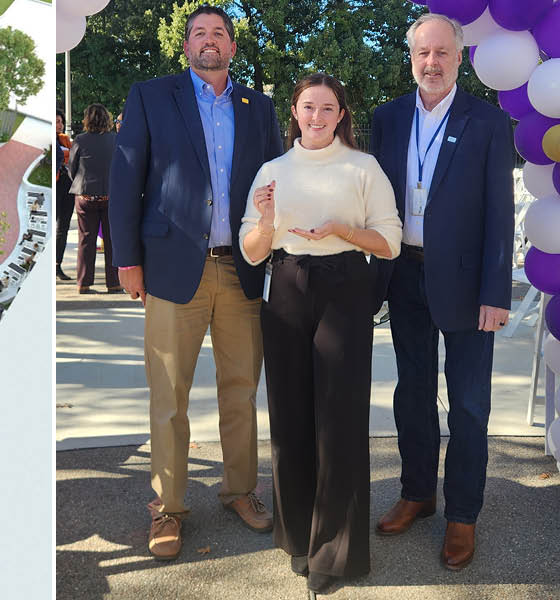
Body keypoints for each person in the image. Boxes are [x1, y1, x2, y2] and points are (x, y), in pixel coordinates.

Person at [108, 5, 284, 561]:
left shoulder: (260, 106)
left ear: (233, 46)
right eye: (198, 32)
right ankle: (168, 507)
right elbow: (126, 177)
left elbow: (279, 178)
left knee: (241, 389)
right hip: (169, 268)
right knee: (169, 395)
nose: (209, 40)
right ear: (184, 45)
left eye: (220, 33)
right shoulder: (151, 96)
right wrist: (127, 260)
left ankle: (240, 489)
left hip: (242, 269)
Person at [240, 73, 402, 592]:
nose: (316, 116)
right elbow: (252, 250)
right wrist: (265, 221)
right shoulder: (272, 170)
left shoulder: (363, 167)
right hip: (286, 285)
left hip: (343, 289)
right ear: (294, 110)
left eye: (327, 108)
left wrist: (341, 229)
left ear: (340, 115)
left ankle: (335, 552)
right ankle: (298, 537)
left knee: (338, 419)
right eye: (308, 106)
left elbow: (390, 242)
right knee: (289, 418)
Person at [369, 13, 514, 572]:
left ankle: (462, 515)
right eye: (422, 53)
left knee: (470, 405)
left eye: (442, 53)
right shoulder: (387, 118)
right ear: (411, 57)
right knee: (412, 394)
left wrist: (496, 292)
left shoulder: (487, 122)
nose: (431, 63)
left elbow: (500, 215)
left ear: (460, 58)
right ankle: (418, 493)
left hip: (468, 283)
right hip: (404, 275)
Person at [69, 103, 120, 295]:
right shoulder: (115, 140)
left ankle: (84, 283)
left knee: (85, 241)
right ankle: (114, 283)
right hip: (109, 196)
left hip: (85, 195)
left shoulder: (80, 140)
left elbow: (71, 168)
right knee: (112, 241)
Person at [56, 109, 76, 281]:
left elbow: (73, 159)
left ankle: (57, 265)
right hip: (54, 184)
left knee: (63, 226)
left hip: (67, 184)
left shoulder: (65, 140)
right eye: (56, 121)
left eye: (61, 121)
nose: (59, 124)